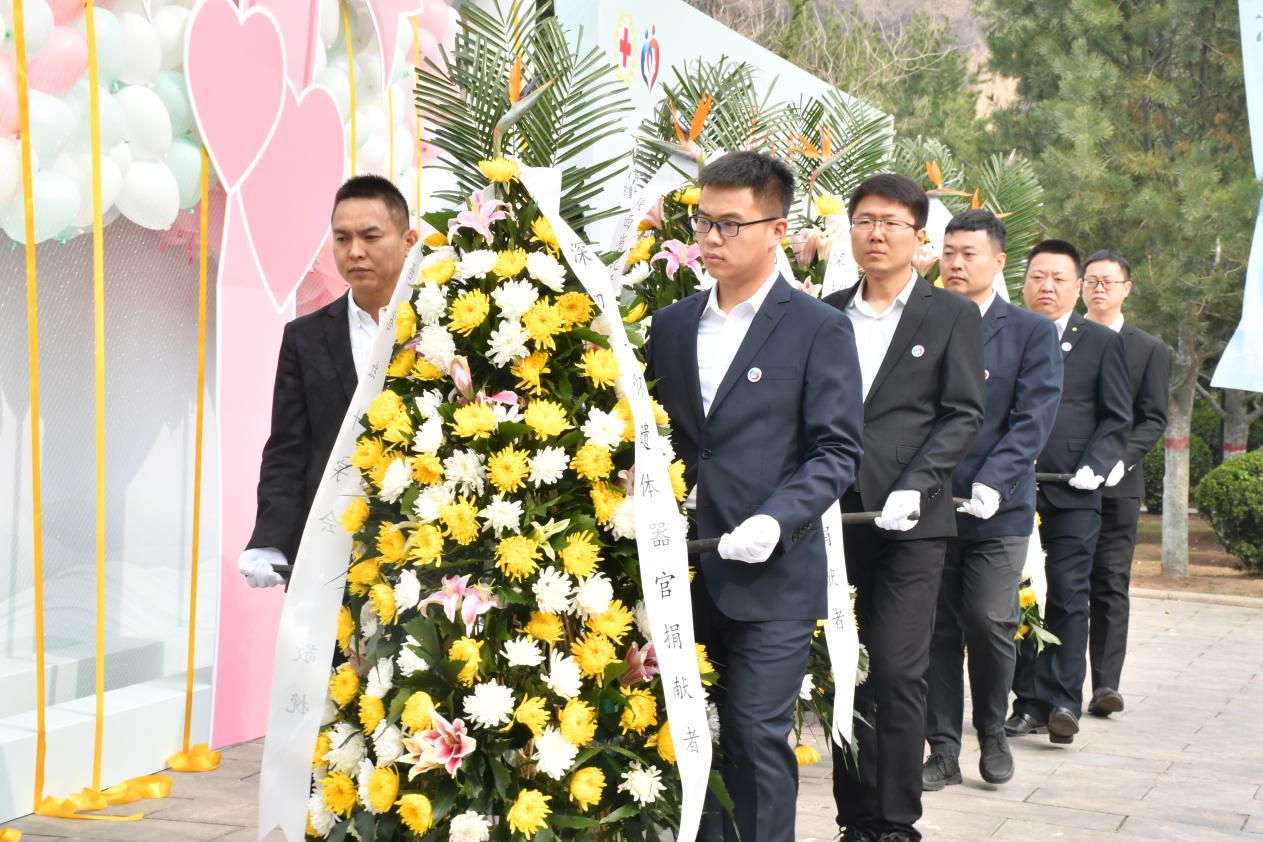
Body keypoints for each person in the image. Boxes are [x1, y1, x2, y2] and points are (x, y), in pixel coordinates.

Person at [644, 150, 864, 842]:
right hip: (683, 568)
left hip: (772, 573)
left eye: (730, 224)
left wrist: (776, 518)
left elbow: (836, 451)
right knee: (689, 739)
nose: (712, 238)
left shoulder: (817, 327)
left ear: (777, 229)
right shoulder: (672, 325)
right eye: (703, 221)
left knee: (754, 734)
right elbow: (663, 436)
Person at [822, 174, 985, 842]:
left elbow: (961, 413)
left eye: (891, 223)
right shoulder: (826, 313)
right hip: (834, 516)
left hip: (912, 523)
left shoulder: (949, 315)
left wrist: (915, 486)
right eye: (864, 220)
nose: (876, 234)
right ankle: (854, 816)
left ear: (919, 238)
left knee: (895, 668)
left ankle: (894, 820)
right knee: (844, 666)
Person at [921, 210, 1062, 791]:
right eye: (948, 251)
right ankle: (943, 750)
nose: (955, 263)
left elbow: (1033, 419)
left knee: (988, 620)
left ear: (999, 261)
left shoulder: (1029, 332)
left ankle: (992, 730)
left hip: (998, 509)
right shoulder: (922, 322)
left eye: (969, 253)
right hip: (928, 503)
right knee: (935, 629)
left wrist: (995, 480)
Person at [237, 175, 419, 588]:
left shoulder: (442, 321)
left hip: (429, 548)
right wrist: (270, 540)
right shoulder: (304, 338)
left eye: (370, 236)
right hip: (331, 552)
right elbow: (287, 450)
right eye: (342, 238)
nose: (355, 251)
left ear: (408, 240)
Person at [1006, 240, 1131, 745]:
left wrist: (1096, 466)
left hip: (1074, 492)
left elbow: (1117, 418)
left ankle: (1062, 701)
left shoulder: (1099, 341)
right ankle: (1026, 703)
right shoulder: (1007, 332)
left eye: (1059, 278)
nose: (1047, 287)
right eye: (1038, 276)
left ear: (1077, 287)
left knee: (1068, 592)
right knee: (1020, 597)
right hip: (1012, 488)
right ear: (1024, 282)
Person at [1080, 250, 1169, 716]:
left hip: (1118, 486)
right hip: (1061, 480)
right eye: (1091, 280)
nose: (1099, 288)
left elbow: (1152, 418)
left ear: (1126, 289)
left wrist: (1122, 460)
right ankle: (1046, 691)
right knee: (1054, 583)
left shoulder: (1148, 348)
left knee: (1110, 582)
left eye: (1108, 282)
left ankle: (1106, 685)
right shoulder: (1059, 337)